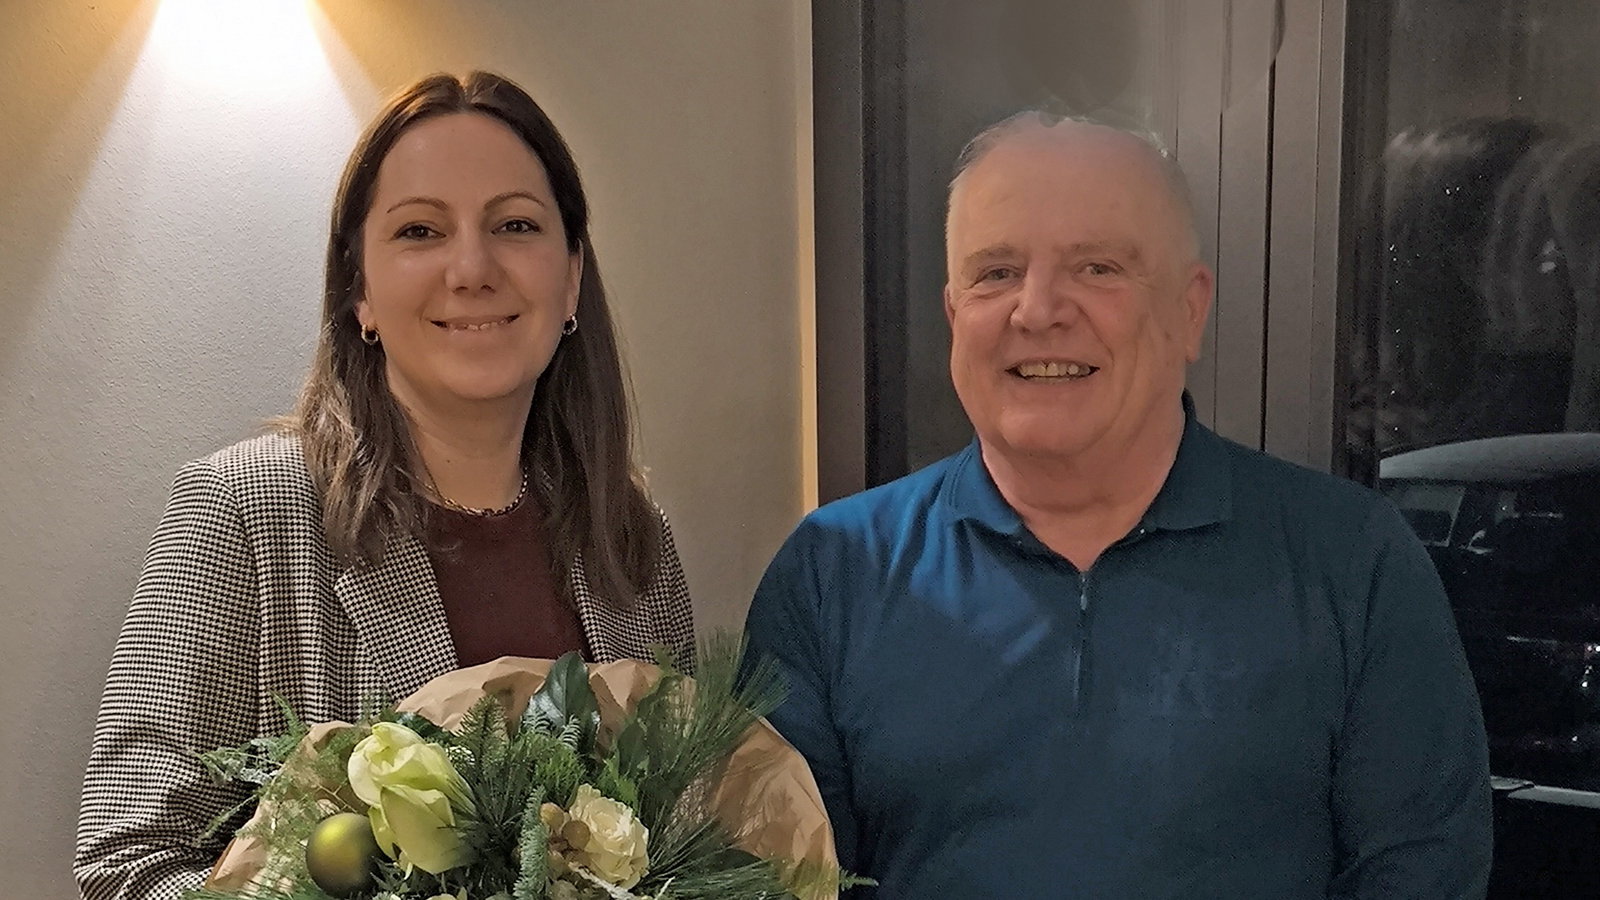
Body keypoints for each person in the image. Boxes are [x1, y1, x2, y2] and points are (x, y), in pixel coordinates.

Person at [744, 111, 1492, 898]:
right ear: (954, 314)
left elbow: (1422, 874)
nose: (1038, 310)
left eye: (1097, 268)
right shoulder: (830, 574)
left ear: (1189, 311)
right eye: (996, 272)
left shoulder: (1352, 564)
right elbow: (768, 882)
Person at [75, 71, 695, 900]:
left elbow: (694, 836)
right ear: (359, 291)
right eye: (420, 231)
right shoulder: (243, 510)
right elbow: (129, 861)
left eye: (515, 225)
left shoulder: (633, 537)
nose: (472, 268)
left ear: (572, 275)